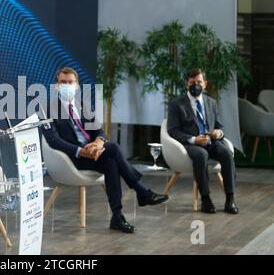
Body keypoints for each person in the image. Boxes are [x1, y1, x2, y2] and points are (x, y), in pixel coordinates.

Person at [42, 67, 169, 234]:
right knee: (114, 148)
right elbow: (54, 141)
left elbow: (99, 131)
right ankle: (141, 192)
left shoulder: (85, 106)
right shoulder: (46, 110)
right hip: (70, 159)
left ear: (77, 85)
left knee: (111, 163)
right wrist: (81, 151)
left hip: (93, 154)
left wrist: (98, 143)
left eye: (70, 82)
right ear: (56, 86)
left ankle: (117, 216)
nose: (66, 86)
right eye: (62, 82)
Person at [167, 68, 239, 214]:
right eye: (192, 82)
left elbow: (218, 125)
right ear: (186, 84)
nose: (196, 85)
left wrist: (219, 133)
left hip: (211, 141)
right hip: (191, 144)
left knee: (226, 154)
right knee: (201, 155)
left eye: (199, 82)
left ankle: (230, 199)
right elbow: (172, 130)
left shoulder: (211, 102)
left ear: (205, 84)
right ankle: (205, 199)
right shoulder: (177, 104)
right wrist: (194, 140)